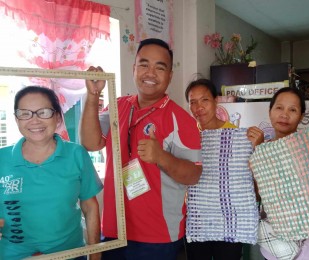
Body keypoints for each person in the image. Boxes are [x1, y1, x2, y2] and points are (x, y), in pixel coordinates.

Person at [80, 38, 202, 260]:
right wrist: (92, 96)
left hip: (157, 237)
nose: (150, 73)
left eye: (160, 67)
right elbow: (90, 143)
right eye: (144, 64)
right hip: (114, 230)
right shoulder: (117, 107)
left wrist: (161, 157)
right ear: (134, 68)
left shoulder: (181, 119)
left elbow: (193, 175)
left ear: (170, 76)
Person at [0, 86, 102, 260]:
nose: (35, 120)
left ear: (57, 116)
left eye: (44, 112)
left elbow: (90, 206)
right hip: (14, 255)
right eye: (25, 113)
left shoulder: (76, 154)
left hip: (69, 254)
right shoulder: (2, 158)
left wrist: (95, 254)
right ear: (16, 119)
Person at [184, 78, 263, 260]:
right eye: (193, 102)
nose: (199, 107)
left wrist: (259, 147)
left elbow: (254, 175)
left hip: (231, 219)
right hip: (198, 217)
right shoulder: (188, 136)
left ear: (215, 100)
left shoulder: (237, 137)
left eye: (204, 100)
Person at [253, 87, 309, 260]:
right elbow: (257, 194)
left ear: (302, 116)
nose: (284, 115)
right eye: (279, 108)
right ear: (270, 111)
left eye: (292, 110)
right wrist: (259, 153)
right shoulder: (260, 149)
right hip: (276, 245)